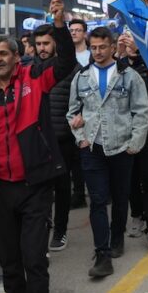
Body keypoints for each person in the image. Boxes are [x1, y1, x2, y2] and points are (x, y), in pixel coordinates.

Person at [0, 0, 75, 293]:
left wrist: (60, 25)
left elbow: (64, 65)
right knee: (10, 261)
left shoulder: (35, 78)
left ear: (18, 57)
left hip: (34, 186)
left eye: (4, 53)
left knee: (34, 259)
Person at [67, 26, 148, 278]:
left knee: (120, 195)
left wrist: (135, 142)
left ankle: (117, 238)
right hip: (92, 147)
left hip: (122, 147)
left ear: (113, 47)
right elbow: (72, 112)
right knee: (98, 200)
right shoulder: (81, 77)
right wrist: (80, 137)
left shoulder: (129, 76)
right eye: (93, 48)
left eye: (103, 47)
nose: (98, 52)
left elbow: (141, 111)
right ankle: (102, 252)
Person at [33, 23, 85, 254]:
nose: (42, 48)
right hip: (38, 141)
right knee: (41, 191)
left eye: (46, 43)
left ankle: (60, 230)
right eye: (38, 44)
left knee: (62, 188)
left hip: (63, 139)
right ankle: (43, 230)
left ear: (55, 43)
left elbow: (84, 100)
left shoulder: (70, 69)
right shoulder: (31, 69)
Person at [120, 31, 148, 249]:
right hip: (125, 130)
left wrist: (141, 52)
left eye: (133, 38)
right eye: (125, 38)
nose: (128, 42)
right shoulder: (118, 65)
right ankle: (137, 215)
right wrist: (119, 54)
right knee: (130, 179)